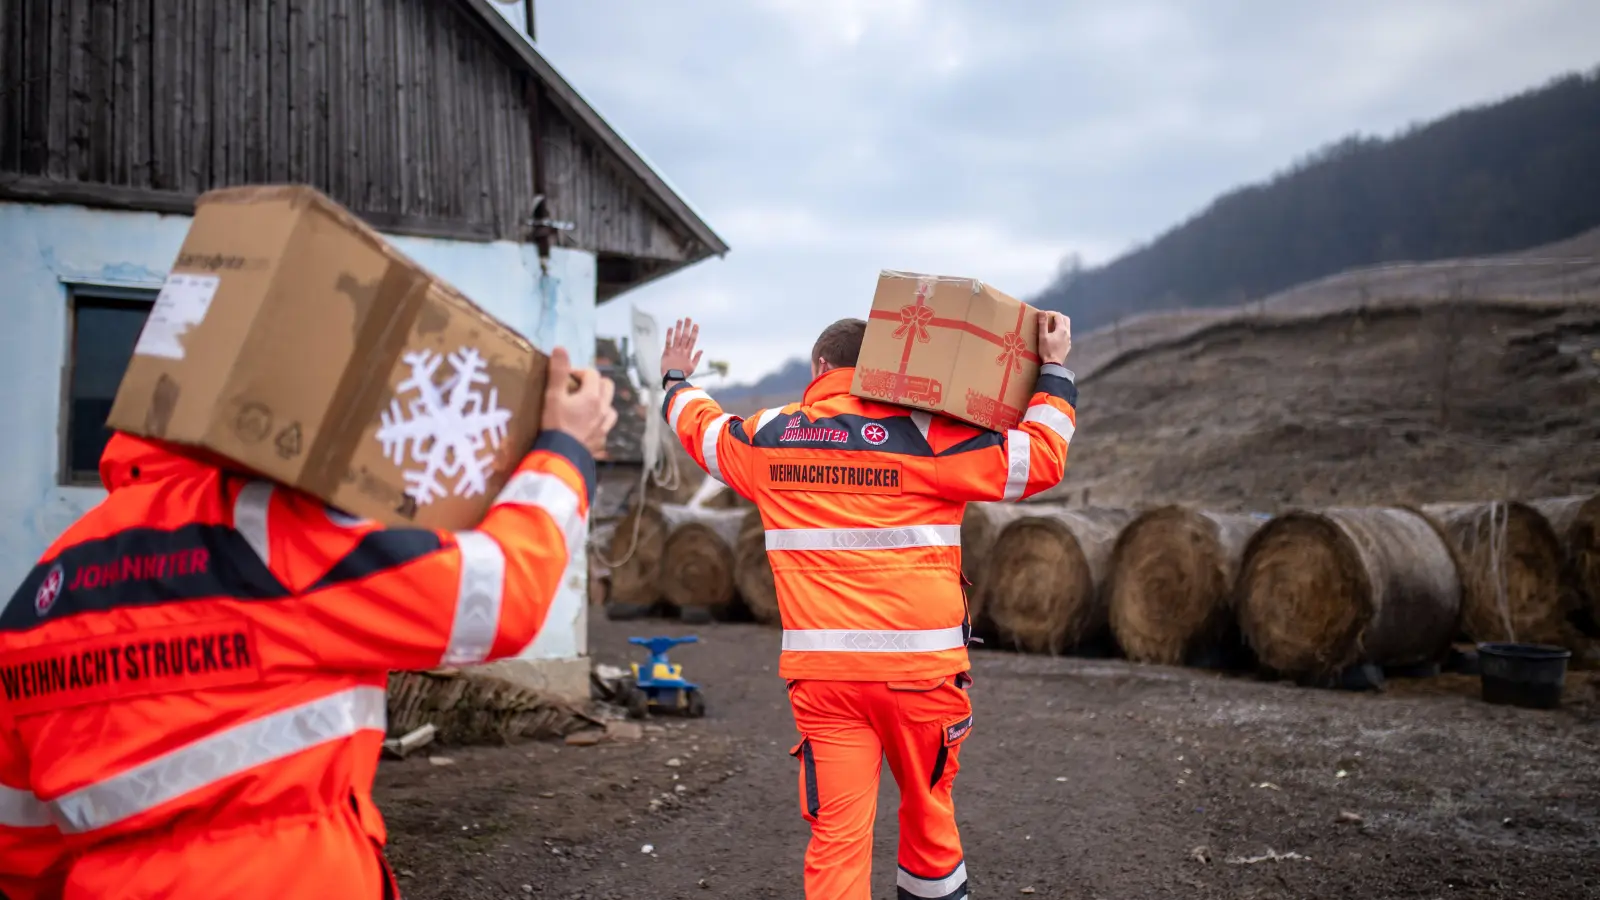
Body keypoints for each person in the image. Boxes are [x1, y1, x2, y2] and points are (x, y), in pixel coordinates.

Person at [0, 347, 616, 900]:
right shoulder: (273, 533)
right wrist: (563, 453)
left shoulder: (37, 599)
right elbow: (501, 594)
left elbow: (19, 851)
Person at [658, 311, 1076, 899]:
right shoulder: (929, 434)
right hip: (920, 678)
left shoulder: (770, 435)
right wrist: (1053, 371)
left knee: (837, 838)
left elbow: (704, 431)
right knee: (928, 817)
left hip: (826, 681)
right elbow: (1040, 459)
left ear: (820, 368)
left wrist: (676, 381)